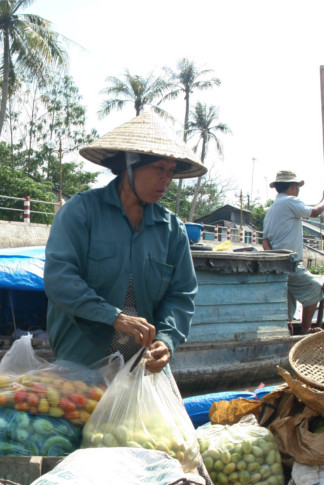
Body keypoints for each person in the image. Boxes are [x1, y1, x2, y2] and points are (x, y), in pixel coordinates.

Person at [44, 111, 206, 373]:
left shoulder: (172, 229)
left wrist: (167, 340)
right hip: (82, 360)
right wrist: (115, 317)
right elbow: (59, 279)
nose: (167, 180)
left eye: (171, 171)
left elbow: (181, 294)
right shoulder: (81, 212)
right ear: (130, 163)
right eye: (159, 168)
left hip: (142, 366)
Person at [261, 170, 324, 334]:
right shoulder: (290, 201)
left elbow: (265, 240)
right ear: (293, 186)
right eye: (297, 186)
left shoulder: (271, 209)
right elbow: (314, 212)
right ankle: (306, 329)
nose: (298, 189)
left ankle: (285, 330)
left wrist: (275, 259)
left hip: (279, 263)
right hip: (289, 262)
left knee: (288, 302)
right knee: (315, 288)